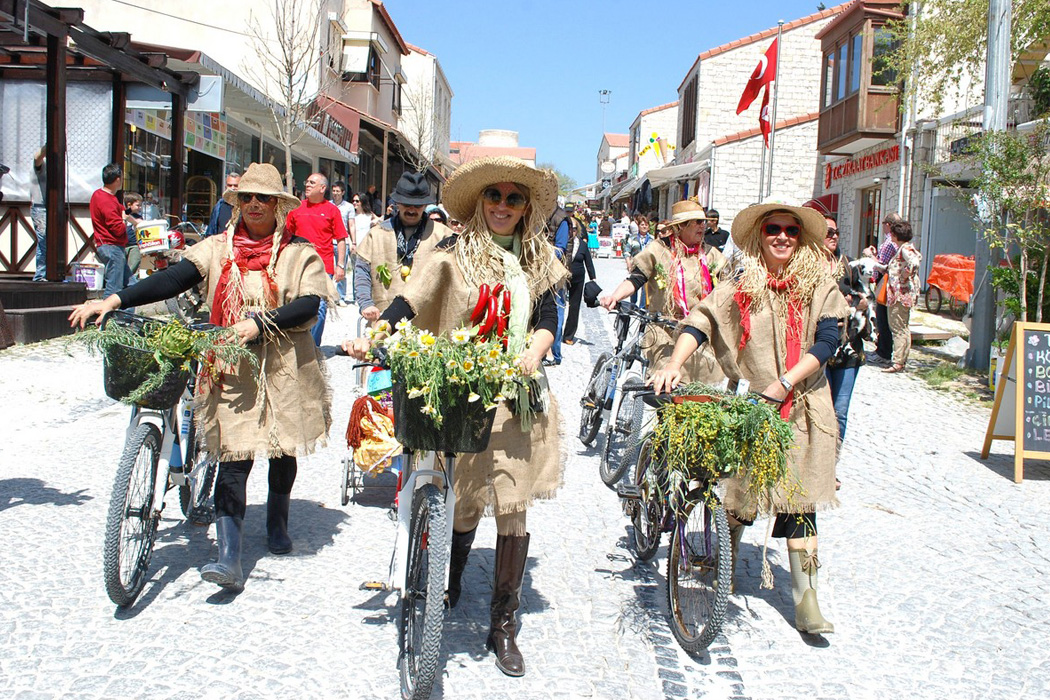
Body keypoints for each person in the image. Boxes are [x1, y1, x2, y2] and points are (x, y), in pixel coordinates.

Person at [344, 156, 566, 678]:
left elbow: (547, 318)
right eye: (495, 196)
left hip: (517, 398)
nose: (503, 206)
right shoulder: (451, 253)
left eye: (514, 199)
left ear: (526, 207)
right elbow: (409, 300)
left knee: (513, 508)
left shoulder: (538, 258)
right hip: (463, 395)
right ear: (480, 201)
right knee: (463, 506)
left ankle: (503, 625)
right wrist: (374, 336)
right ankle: (450, 582)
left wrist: (533, 352)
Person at [70, 162, 333, 591]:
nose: (253, 204)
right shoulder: (217, 248)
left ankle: (277, 519)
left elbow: (308, 304)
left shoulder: (297, 252)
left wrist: (259, 323)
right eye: (246, 197)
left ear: (278, 205)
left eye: (263, 198)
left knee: (281, 448)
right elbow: (173, 278)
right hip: (229, 364)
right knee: (233, 455)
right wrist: (115, 300)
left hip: (284, 362)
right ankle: (229, 558)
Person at [650, 197, 847, 635]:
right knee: (741, 493)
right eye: (773, 229)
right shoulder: (743, 282)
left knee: (800, 499)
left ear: (802, 238)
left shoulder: (819, 285)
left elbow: (827, 343)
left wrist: (786, 383)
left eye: (791, 230)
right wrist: (675, 363)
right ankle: (726, 562)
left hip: (806, 408)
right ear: (760, 236)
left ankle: (807, 602)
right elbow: (701, 321)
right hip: (755, 406)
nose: (782, 237)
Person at [599, 200, 726, 385]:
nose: (703, 226)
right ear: (681, 226)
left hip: (699, 332)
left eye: (704, 222)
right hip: (664, 329)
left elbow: (727, 288)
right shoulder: (658, 250)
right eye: (697, 222)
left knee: (700, 388)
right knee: (665, 385)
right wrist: (614, 297)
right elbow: (636, 279)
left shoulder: (711, 254)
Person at [354, 171, 447, 323]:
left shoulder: (443, 235)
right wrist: (366, 303)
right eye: (406, 204)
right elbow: (362, 270)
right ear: (397, 203)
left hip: (427, 323)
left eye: (418, 205)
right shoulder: (376, 234)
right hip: (383, 321)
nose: (412, 210)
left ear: (425, 205)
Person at [285, 172, 348, 345]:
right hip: (298, 266)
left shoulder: (332, 210)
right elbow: (286, 236)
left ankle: (313, 346)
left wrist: (340, 265)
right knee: (297, 305)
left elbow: (341, 239)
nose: (307, 185)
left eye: (312, 183)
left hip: (322, 267)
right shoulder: (296, 208)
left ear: (322, 188)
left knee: (319, 307)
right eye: (307, 182)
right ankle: (299, 344)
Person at [822, 215, 866, 441]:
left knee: (840, 410)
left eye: (837, 232)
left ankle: (834, 458)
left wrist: (853, 302)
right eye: (829, 233)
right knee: (821, 408)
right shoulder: (807, 266)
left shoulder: (848, 264)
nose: (834, 236)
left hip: (847, 346)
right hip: (818, 346)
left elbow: (864, 297)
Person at [871, 219, 921, 373]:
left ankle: (898, 361)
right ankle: (901, 360)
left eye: (892, 233)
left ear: (896, 235)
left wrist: (905, 276)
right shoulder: (905, 248)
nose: (890, 235)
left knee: (898, 327)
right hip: (901, 293)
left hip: (899, 294)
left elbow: (914, 263)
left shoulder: (905, 249)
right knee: (902, 327)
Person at [90, 164, 135, 298]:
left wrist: (136, 221)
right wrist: (124, 221)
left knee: (131, 285)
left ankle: (126, 311)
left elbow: (122, 211)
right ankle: (109, 311)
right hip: (112, 246)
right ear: (117, 179)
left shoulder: (100, 195)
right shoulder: (106, 200)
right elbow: (117, 228)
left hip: (110, 246)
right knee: (114, 288)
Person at [865, 212, 902, 363]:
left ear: (888, 225)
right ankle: (882, 349)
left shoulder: (889, 242)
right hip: (888, 281)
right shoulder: (894, 242)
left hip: (885, 280)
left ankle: (883, 352)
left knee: (882, 317)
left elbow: (883, 266)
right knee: (883, 316)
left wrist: (870, 255)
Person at [560, 216, 596, 346]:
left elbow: (588, 262)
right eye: (569, 228)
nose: (571, 231)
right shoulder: (561, 243)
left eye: (574, 229)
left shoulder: (583, 245)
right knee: (559, 305)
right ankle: (555, 332)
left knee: (574, 307)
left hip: (578, 279)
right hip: (562, 277)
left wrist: (593, 278)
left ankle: (568, 335)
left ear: (578, 230)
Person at [545, 205, 572, 365]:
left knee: (556, 311)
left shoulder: (561, 218)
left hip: (556, 273)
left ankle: (554, 354)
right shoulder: (537, 213)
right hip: (540, 272)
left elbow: (561, 249)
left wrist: (540, 251)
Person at [330, 180, 357, 306]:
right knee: (327, 270)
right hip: (329, 242)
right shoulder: (328, 205)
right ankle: (328, 295)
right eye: (333, 191)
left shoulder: (349, 207)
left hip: (343, 242)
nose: (335, 193)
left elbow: (351, 225)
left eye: (338, 191)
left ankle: (341, 296)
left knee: (342, 269)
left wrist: (353, 242)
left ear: (343, 192)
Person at [624, 215, 652, 307]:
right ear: (638, 226)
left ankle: (642, 308)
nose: (644, 227)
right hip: (635, 266)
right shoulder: (633, 238)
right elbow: (627, 251)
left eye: (646, 225)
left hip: (647, 267)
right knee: (634, 286)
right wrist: (628, 263)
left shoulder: (652, 239)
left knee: (645, 288)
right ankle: (632, 305)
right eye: (642, 225)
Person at [30, 147, 46, 281]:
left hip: (46, 208)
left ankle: (42, 274)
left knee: (45, 242)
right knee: (44, 242)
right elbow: (37, 158)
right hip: (40, 208)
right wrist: (47, 147)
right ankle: (40, 275)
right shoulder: (43, 165)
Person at [123, 193, 144, 276]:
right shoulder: (124, 213)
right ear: (129, 204)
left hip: (134, 244)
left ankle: (132, 280)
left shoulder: (138, 217)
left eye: (140, 205)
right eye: (138, 205)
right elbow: (125, 214)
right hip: (123, 244)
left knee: (134, 264)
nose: (140, 207)